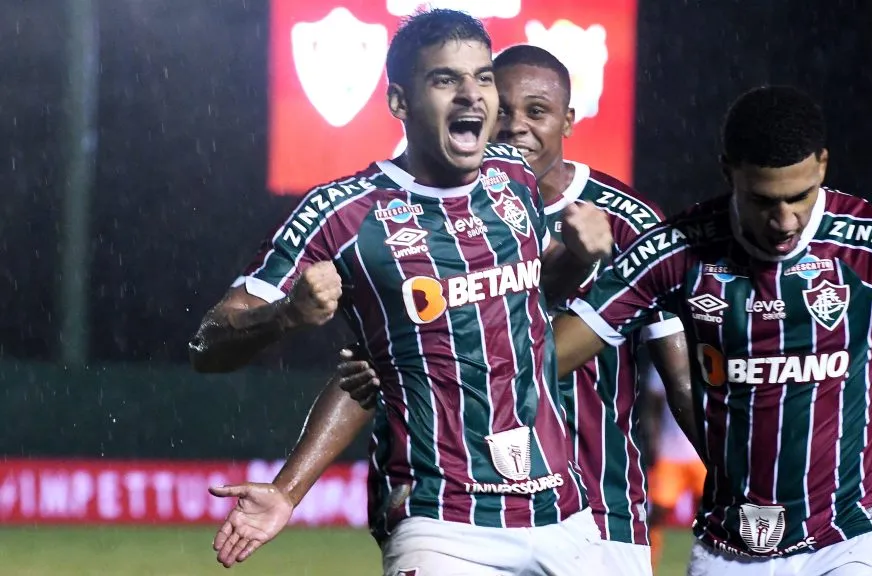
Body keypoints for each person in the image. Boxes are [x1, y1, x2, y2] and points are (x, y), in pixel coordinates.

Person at [204, 43, 697, 576]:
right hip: (441, 523)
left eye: (481, 78)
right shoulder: (340, 213)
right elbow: (208, 346)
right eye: (445, 80)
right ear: (400, 100)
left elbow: (533, 294)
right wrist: (285, 317)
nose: (474, 97)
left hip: (572, 514)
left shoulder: (516, 180)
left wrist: (577, 258)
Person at [552, 85, 872, 574]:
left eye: (799, 197)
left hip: (856, 535)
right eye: (763, 200)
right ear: (728, 170)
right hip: (729, 543)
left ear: (822, 164)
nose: (784, 220)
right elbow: (547, 359)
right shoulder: (676, 249)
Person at [492, 44, 692, 574]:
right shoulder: (446, 215)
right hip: (477, 506)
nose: (516, 126)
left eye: (536, 111)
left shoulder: (631, 220)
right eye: (502, 110)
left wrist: (740, 475)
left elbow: (681, 380)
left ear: (569, 121)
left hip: (601, 502)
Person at [642, 358, 706, 573]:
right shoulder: (665, 353)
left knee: (714, 515)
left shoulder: (712, 349)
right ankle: (650, 567)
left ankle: (708, 566)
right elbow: (653, 403)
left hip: (704, 455)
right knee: (657, 513)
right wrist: (652, 442)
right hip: (670, 452)